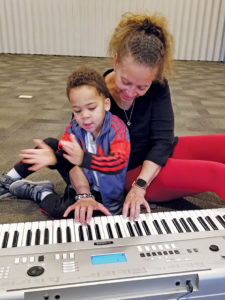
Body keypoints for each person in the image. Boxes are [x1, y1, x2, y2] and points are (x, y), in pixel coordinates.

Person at [100, 12, 225, 221]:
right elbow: (77, 148)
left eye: (142, 86)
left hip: (157, 154)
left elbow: (163, 139)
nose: (131, 93)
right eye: (126, 82)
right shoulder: (94, 93)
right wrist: (139, 186)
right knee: (217, 174)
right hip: (131, 172)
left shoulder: (158, 85)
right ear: (116, 61)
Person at [0, 66, 130, 224]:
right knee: (48, 146)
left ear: (106, 104)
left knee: (66, 215)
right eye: (77, 110)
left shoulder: (117, 128)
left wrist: (83, 159)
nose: (85, 116)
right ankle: (7, 180)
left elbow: (118, 162)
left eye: (91, 108)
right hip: (81, 182)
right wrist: (55, 160)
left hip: (107, 197)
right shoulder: (75, 127)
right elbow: (69, 162)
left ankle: (41, 192)